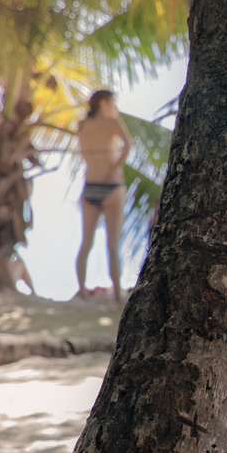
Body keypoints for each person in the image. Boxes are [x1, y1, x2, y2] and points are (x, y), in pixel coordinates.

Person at [75, 90, 133, 303]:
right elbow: (128, 146)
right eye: (112, 101)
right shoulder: (111, 122)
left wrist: (108, 164)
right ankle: (110, 294)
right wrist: (114, 166)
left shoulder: (84, 125)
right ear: (103, 102)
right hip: (106, 185)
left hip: (98, 186)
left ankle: (93, 291)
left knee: (94, 243)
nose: (115, 106)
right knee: (105, 244)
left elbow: (85, 154)